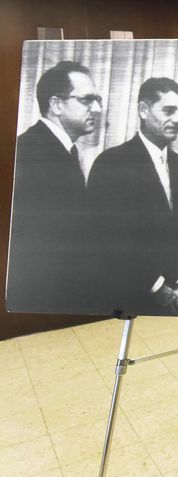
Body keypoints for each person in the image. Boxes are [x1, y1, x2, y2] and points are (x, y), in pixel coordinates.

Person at [87, 77, 178, 316]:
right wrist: (157, 288)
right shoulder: (111, 163)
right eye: (169, 110)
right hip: (130, 295)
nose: (177, 119)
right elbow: (109, 238)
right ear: (144, 110)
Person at [7, 61, 102, 313]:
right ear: (57, 105)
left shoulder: (58, 149)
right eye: (87, 100)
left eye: (97, 100)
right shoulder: (30, 151)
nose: (97, 108)